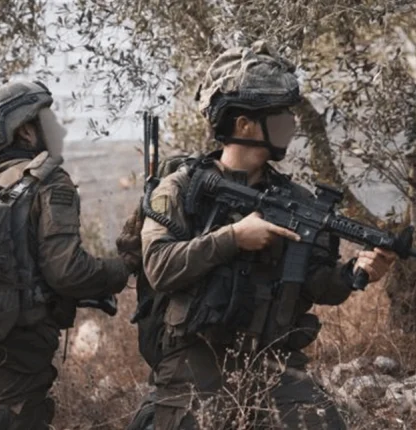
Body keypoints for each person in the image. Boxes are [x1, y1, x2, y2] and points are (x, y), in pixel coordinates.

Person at [130, 41, 397, 429]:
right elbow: (159, 267)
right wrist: (234, 237)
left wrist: (356, 272)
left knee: (322, 423)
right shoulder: (180, 190)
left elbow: (317, 285)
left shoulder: (296, 200)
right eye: (280, 115)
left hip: (271, 359)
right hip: (195, 359)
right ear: (244, 125)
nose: (291, 123)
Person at [0, 80, 142, 430]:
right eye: (48, 120)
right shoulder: (48, 182)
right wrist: (124, 266)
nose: (60, 130)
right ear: (26, 132)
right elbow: (68, 271)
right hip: (15, 347)